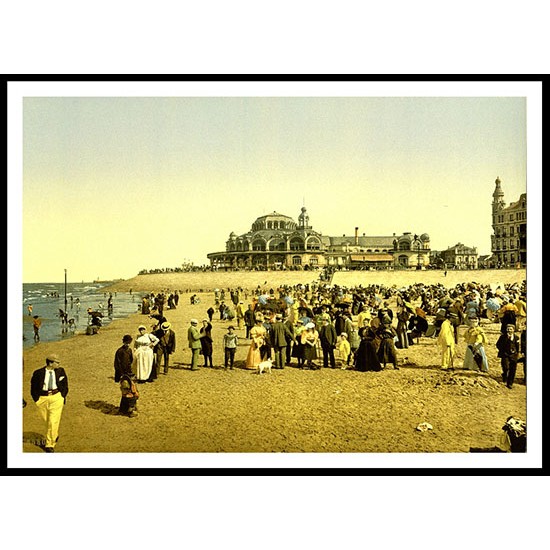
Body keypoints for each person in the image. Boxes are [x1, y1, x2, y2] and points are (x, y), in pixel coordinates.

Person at [30, 353, 69, 452]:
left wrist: (62, 395)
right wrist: (37, 400)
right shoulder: (38, 373)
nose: (59, 364)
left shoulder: (61, 371)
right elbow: (33, 387)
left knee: (53, 421)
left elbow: (65, 384)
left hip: (56, 397)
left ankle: (49, 444)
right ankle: (54, 435)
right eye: (57, 362)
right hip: (42, 399)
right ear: (50, 363)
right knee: (47, 421)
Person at [496, 324, 521, 389]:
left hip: (513, 355)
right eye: (508, 329)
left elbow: (517, 346)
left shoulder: (516, 338)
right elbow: (498, 344)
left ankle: (510, 383)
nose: (509, 330)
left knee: (512, 369)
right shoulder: (502, 337)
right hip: (505, 355)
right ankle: (504, 374)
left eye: (511, 329)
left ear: (513, 330)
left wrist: (517, 353)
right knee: (506, 367)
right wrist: (502, 350)